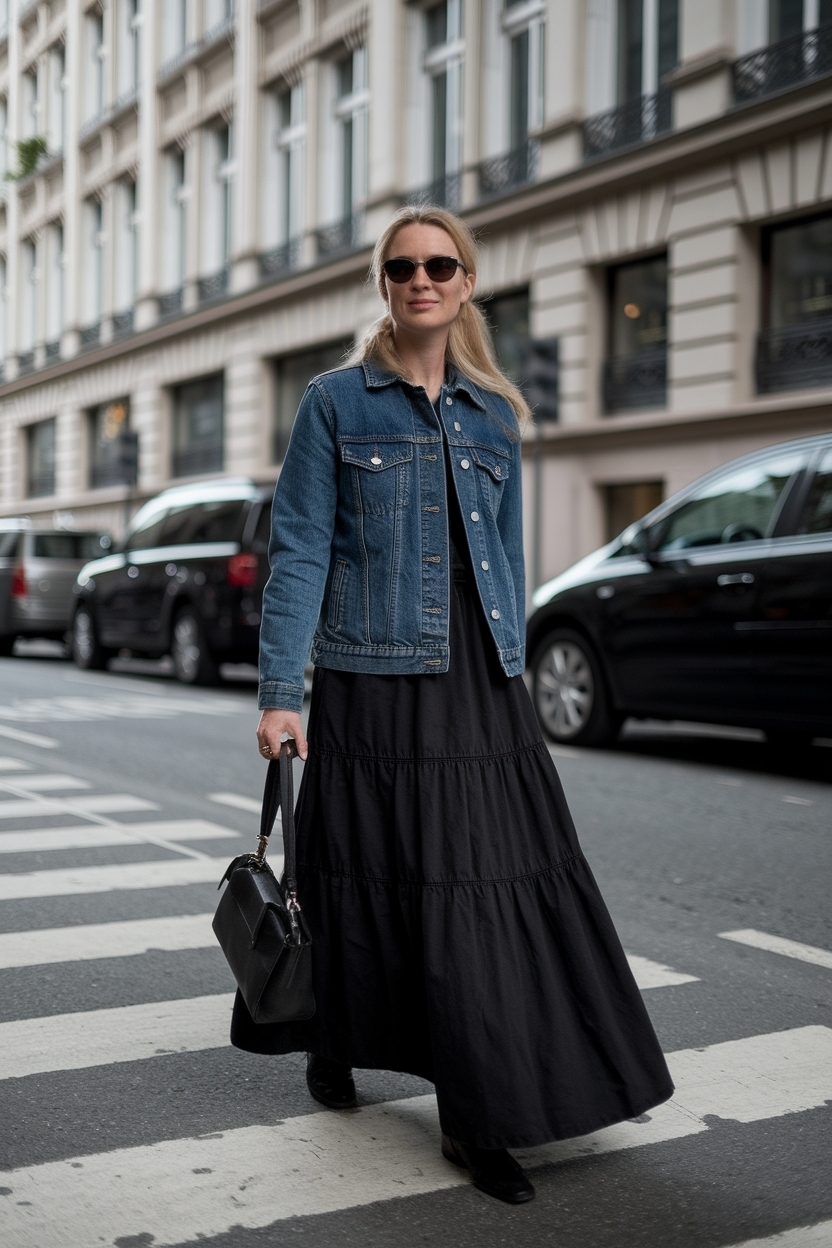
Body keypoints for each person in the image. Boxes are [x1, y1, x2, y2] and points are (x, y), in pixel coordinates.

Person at [232, 205, 674, 1205]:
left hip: (481, 683)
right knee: (357, 871)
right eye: (401, 267)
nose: (420, 279)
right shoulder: (336, 405)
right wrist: (279, 694)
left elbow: (505, 557)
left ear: (466, 282)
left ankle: (480, 1111)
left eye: (440, 264)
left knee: (480, 885)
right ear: (384, 285)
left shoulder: (494, 416)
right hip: (371, 676)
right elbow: (299, 549)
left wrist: (511, 665)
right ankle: (335, 1045)